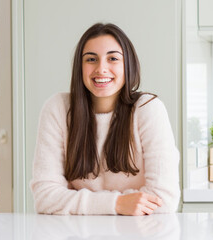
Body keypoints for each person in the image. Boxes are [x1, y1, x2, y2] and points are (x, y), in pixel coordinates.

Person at [30, 23, 180, 215]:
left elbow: (164, 199)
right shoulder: (57, 109)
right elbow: (45, 197)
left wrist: (73, 201)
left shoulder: (148, 108)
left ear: (128, 65)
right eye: (91, 59)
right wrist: (117, 203)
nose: (101, 69)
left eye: (113, 58)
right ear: (80, 67)